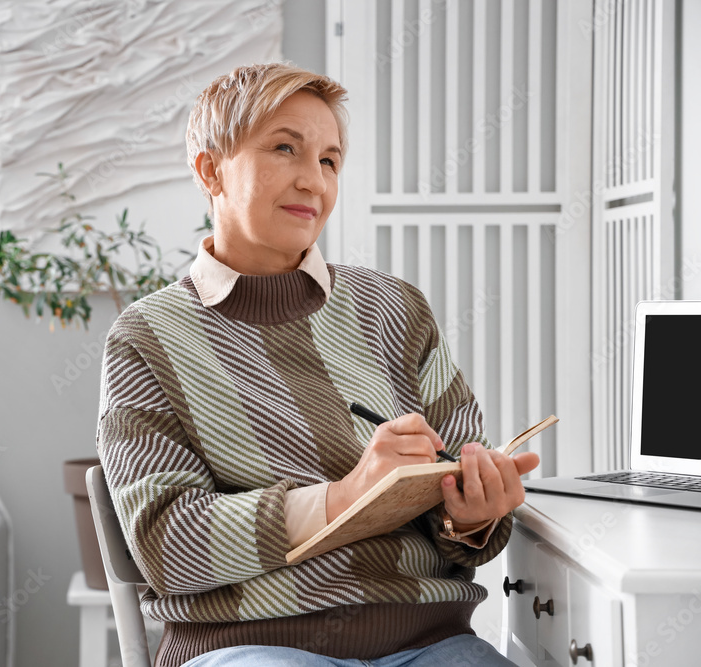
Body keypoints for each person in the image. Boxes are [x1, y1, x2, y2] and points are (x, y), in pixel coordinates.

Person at [95, 62, 539, 667]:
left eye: (329, 160)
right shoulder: (146, 336)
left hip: (432, 644)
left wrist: (472, 515)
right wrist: (346, 497)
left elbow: (467, 495)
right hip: (250, 646)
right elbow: (165, 544)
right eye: (286, 148)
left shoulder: (394, 308)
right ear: (210, 169)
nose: (314, 181)